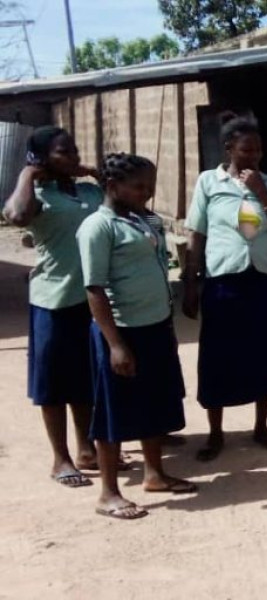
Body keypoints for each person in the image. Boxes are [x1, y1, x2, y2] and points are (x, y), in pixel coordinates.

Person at [78, 153, 196, 519]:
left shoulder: (144, 220)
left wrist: (168, 326)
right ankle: (109, 493)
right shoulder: (99, 227)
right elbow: (94, 289)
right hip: (122, 332)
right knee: (115, 412)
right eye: (139, 187)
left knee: (153, 403)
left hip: (154, 326)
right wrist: (115, 345)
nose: (146, 193)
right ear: (112, 187)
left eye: (149, 186)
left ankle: (155, 473)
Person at [182, 112, 267, 462]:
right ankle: (216, 433)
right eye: (246, 151)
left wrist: (262, 192)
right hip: (224, 279)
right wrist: (191, 282)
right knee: (219, 356)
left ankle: (261, 426)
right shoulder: (209, 182)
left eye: (258, 151)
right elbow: (196, 233)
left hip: (262, 277)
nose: (253, 157)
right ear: (229, 150)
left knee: (264, 354)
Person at [3, 126, 104, 489]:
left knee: (87, 377)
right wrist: (29, 173)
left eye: (75, 149)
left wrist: (91, 172)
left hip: (93, 299)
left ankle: (87, 449)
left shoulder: (89, 190)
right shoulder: (37, 195)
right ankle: (60, 458)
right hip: (54, 300)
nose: (73, 156)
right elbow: (15, 216)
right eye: (64, 152)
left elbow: (128, 192)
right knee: (54, 383)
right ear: (43, 157)